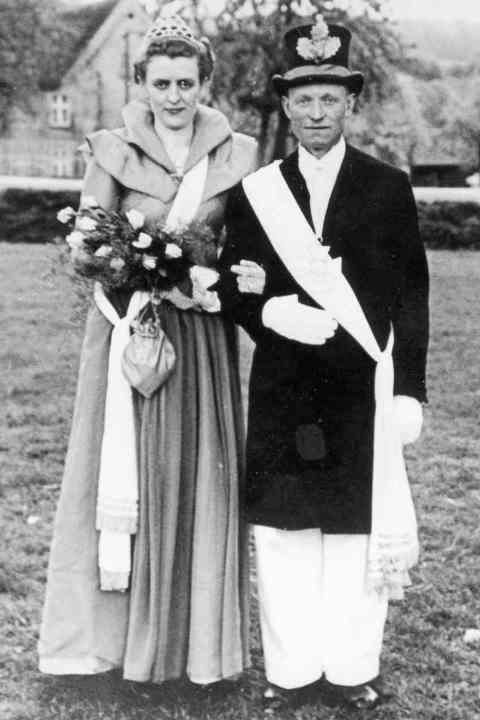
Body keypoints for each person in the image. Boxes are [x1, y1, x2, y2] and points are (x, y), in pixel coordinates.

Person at [39, 13, 264, 687]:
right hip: (128, 329)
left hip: (200, 337)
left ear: (206, 84)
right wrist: (144, 271)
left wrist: (210, 281)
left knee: (198, 476)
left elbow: (247, 248)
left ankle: (196, 651)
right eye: (161, 83)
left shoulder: (237, 153)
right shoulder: (113, 148)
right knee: (122, 473)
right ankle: (105, 645)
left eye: (186, 83)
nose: (174, 96)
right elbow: (86, 247)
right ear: (141, 83)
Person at [216, 14, 429, 710]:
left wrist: (410, 389)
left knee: (351, 531)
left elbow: (412, 294)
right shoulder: (257, 192)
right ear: (285, 104)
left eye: (329, 98)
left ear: (350, 103)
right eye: (303, 98)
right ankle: (291, 672)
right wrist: (269, 313)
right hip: (284, 386)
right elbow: (234, 285)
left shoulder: (386, 186)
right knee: (284, 531)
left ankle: (351, 670)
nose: (316, 112)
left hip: (356, 387)